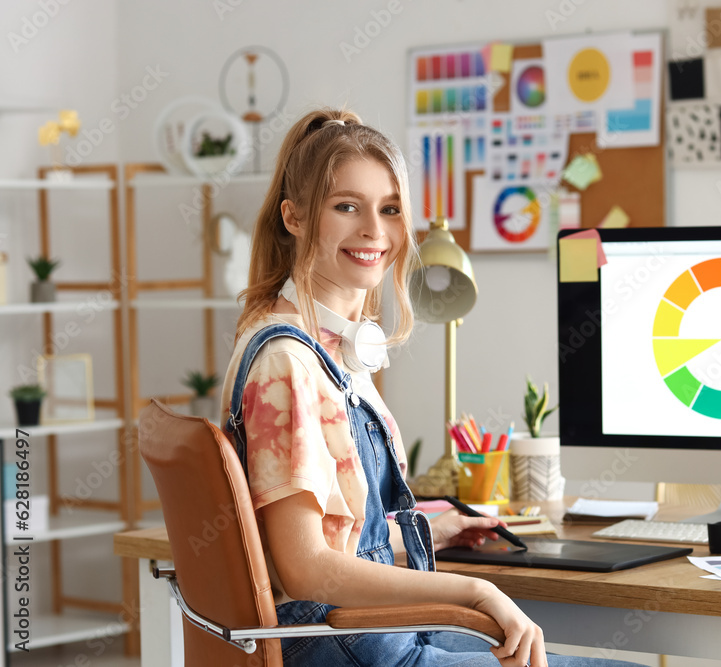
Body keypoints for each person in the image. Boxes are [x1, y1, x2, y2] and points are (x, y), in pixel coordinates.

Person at [220, 107, 641, 667]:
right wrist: (477, 590)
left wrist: (428, 533)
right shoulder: (288, 362)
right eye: (347, 206)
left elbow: (330, 539)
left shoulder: (315, 345)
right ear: (294, 218)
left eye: (390, 209)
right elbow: (305, 567)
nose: (374, 230)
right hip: (348, 646)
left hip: (360, 636)